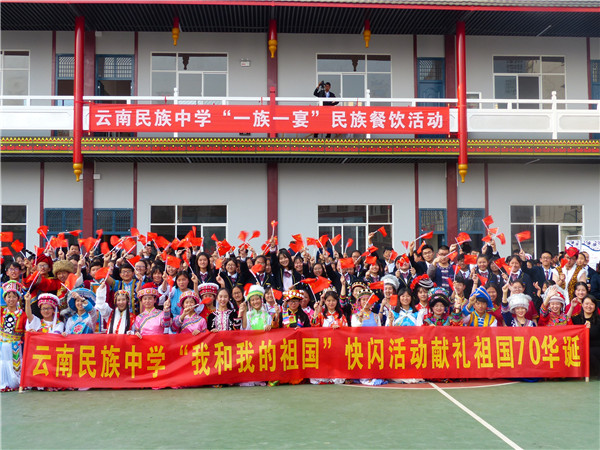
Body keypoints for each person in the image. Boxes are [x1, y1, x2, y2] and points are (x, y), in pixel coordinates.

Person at [310, 289, 347, 385]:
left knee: (338, 377)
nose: (331, 303)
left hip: (337, 347)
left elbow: (346, 330)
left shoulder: (341, 316)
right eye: (328, 300)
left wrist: (339, 329)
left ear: (337, 301)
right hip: (324, 346)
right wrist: (316, 311)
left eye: (333, 300)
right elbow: (314, 325)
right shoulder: (321, 315)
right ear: (325, 302)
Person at [0, 281, 26, 391]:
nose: (11, 299)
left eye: (14, 297)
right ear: (5, 299)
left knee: (15, 365)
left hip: (15, 345)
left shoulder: (22, 314)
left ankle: (14, 383)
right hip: (2, 344)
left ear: (18, 299)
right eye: (8, 297)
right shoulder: (2, 312)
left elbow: (26, 331)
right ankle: (3, 382)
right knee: (2, 363)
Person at [571, 295, 600, 378]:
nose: (589, 306)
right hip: (579, 347)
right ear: (582, 305)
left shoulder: (598, 320)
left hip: (595, 347)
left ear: (595, 306)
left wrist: (589, 330)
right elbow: (566, 323)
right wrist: (572, 307)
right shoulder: (576, 319)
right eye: (586, 304)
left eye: (591, 304)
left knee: (592, 352)